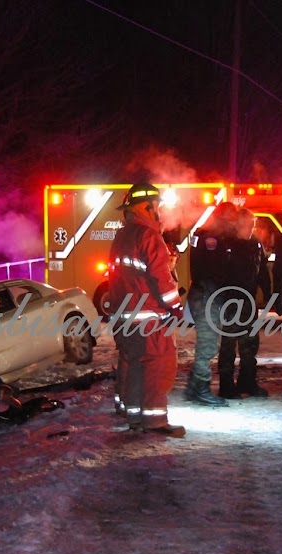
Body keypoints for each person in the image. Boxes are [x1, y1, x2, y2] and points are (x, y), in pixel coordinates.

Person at [108, 182, 186, 438]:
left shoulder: (122, 235)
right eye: (158, 206)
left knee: (132, 365)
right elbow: (160, 279)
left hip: (125, 316)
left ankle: (135, 416)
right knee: (157, 366)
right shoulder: (148, 235)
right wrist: (175, 306)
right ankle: (154, 421)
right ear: (148, 206)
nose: (161, 212)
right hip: (150, 317)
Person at [183, 203, 236, 407]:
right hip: (208, 294)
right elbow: (213, 268)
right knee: (208, 344)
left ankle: (194, 387)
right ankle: (201, 388)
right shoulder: (212, 237)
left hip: (205, 292)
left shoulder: (204, 233)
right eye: (230, 219)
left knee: (208, 342)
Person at [217, 206, 272, 398]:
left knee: (250, 345)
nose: (251, 228)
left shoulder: (255, 244)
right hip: (230, 302)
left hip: (248, 302)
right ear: (238, 224)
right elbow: (217, 274)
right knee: (229, 345)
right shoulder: (227, 244)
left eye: (253, 225)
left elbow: (262, 270)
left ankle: (247, 382)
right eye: (248, 224)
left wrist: (267, 292)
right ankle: (226, 385)